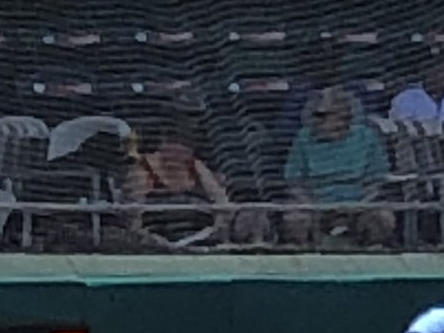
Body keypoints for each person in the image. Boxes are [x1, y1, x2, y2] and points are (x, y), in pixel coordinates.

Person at [282, 85, 394, 246]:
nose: (341, 124)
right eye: (319, 116)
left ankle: (371, 251)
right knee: (295, 218)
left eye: (345, 118)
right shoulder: (303, 138)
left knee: (383, 217)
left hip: (360, 203)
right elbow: (294, 182)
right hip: (315, 204)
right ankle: (307, 253)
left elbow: (376, 181)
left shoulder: (366, 136)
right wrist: (313, 205)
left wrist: (359, 205)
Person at [124, 124, 269, 249]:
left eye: (183, 147)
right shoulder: (144, 167)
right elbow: (132, 212)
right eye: (171, 144)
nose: (177, 152)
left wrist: (216, 230)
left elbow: (222, 203)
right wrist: (148, 240)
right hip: (156, 241)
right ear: (163, 145)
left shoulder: (196, 167)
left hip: (202, 238)